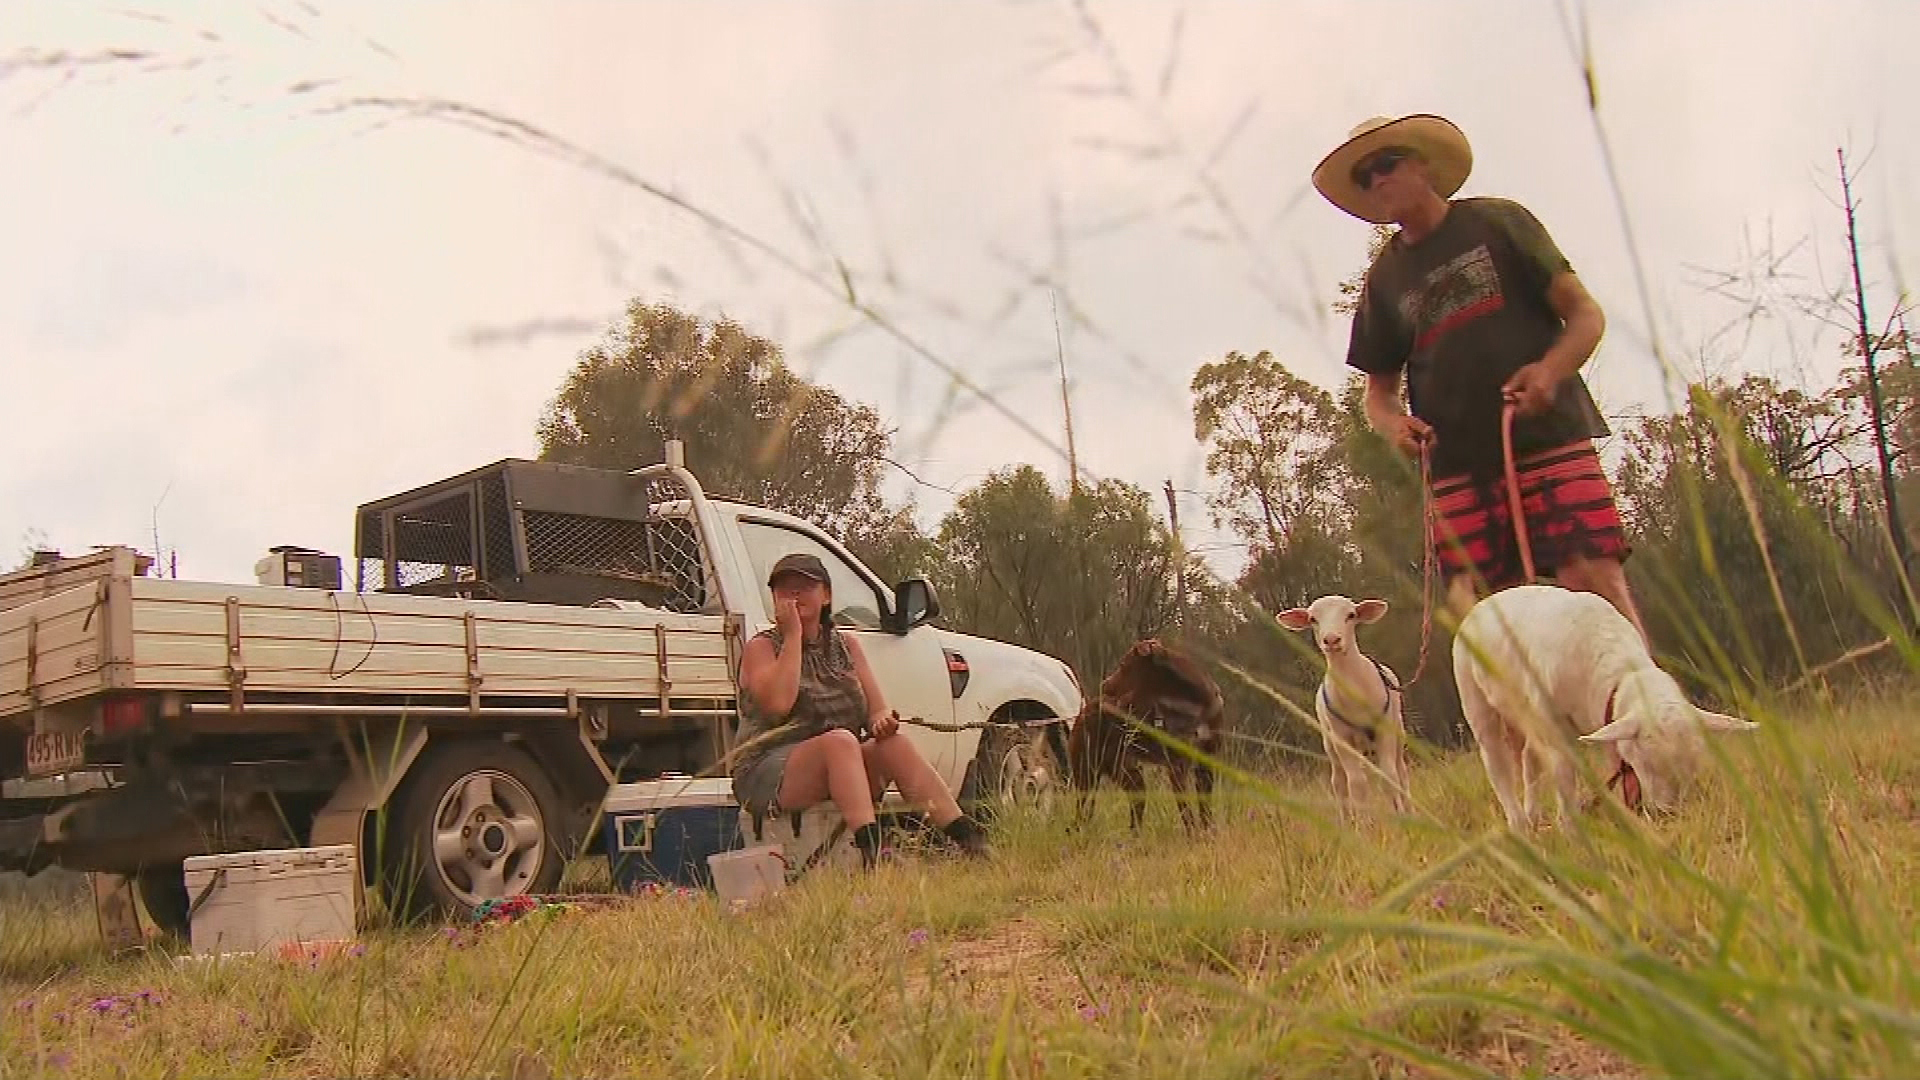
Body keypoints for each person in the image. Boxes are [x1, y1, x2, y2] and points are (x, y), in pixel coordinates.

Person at [1313, 113, 1652, 648]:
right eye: (1364, 176)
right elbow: (1377, 394)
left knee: (1594, 591)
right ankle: (1530, 736)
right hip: (1455, 467)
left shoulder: (1500, 223)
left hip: (1548, 439)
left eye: (1387, 163)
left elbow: (1586, 315)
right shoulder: (1384, 280)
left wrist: (1549, 372)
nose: (1378, 180)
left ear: (1422, 164)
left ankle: (1651, 721)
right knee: (1494, 625)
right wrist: (1394, 427)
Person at [731, 552, 990, 865]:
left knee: (893, 744)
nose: (794, 594)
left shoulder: (847, 646)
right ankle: (871, 854)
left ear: (826, 595)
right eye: (784, 588)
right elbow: (779, 703)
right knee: (840, 741)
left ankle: (968, 840)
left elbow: (876, 710)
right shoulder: (762, 647)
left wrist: (883, 722)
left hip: (841, 763)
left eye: (804, 586)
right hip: (769, 770)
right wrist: (793, 636)